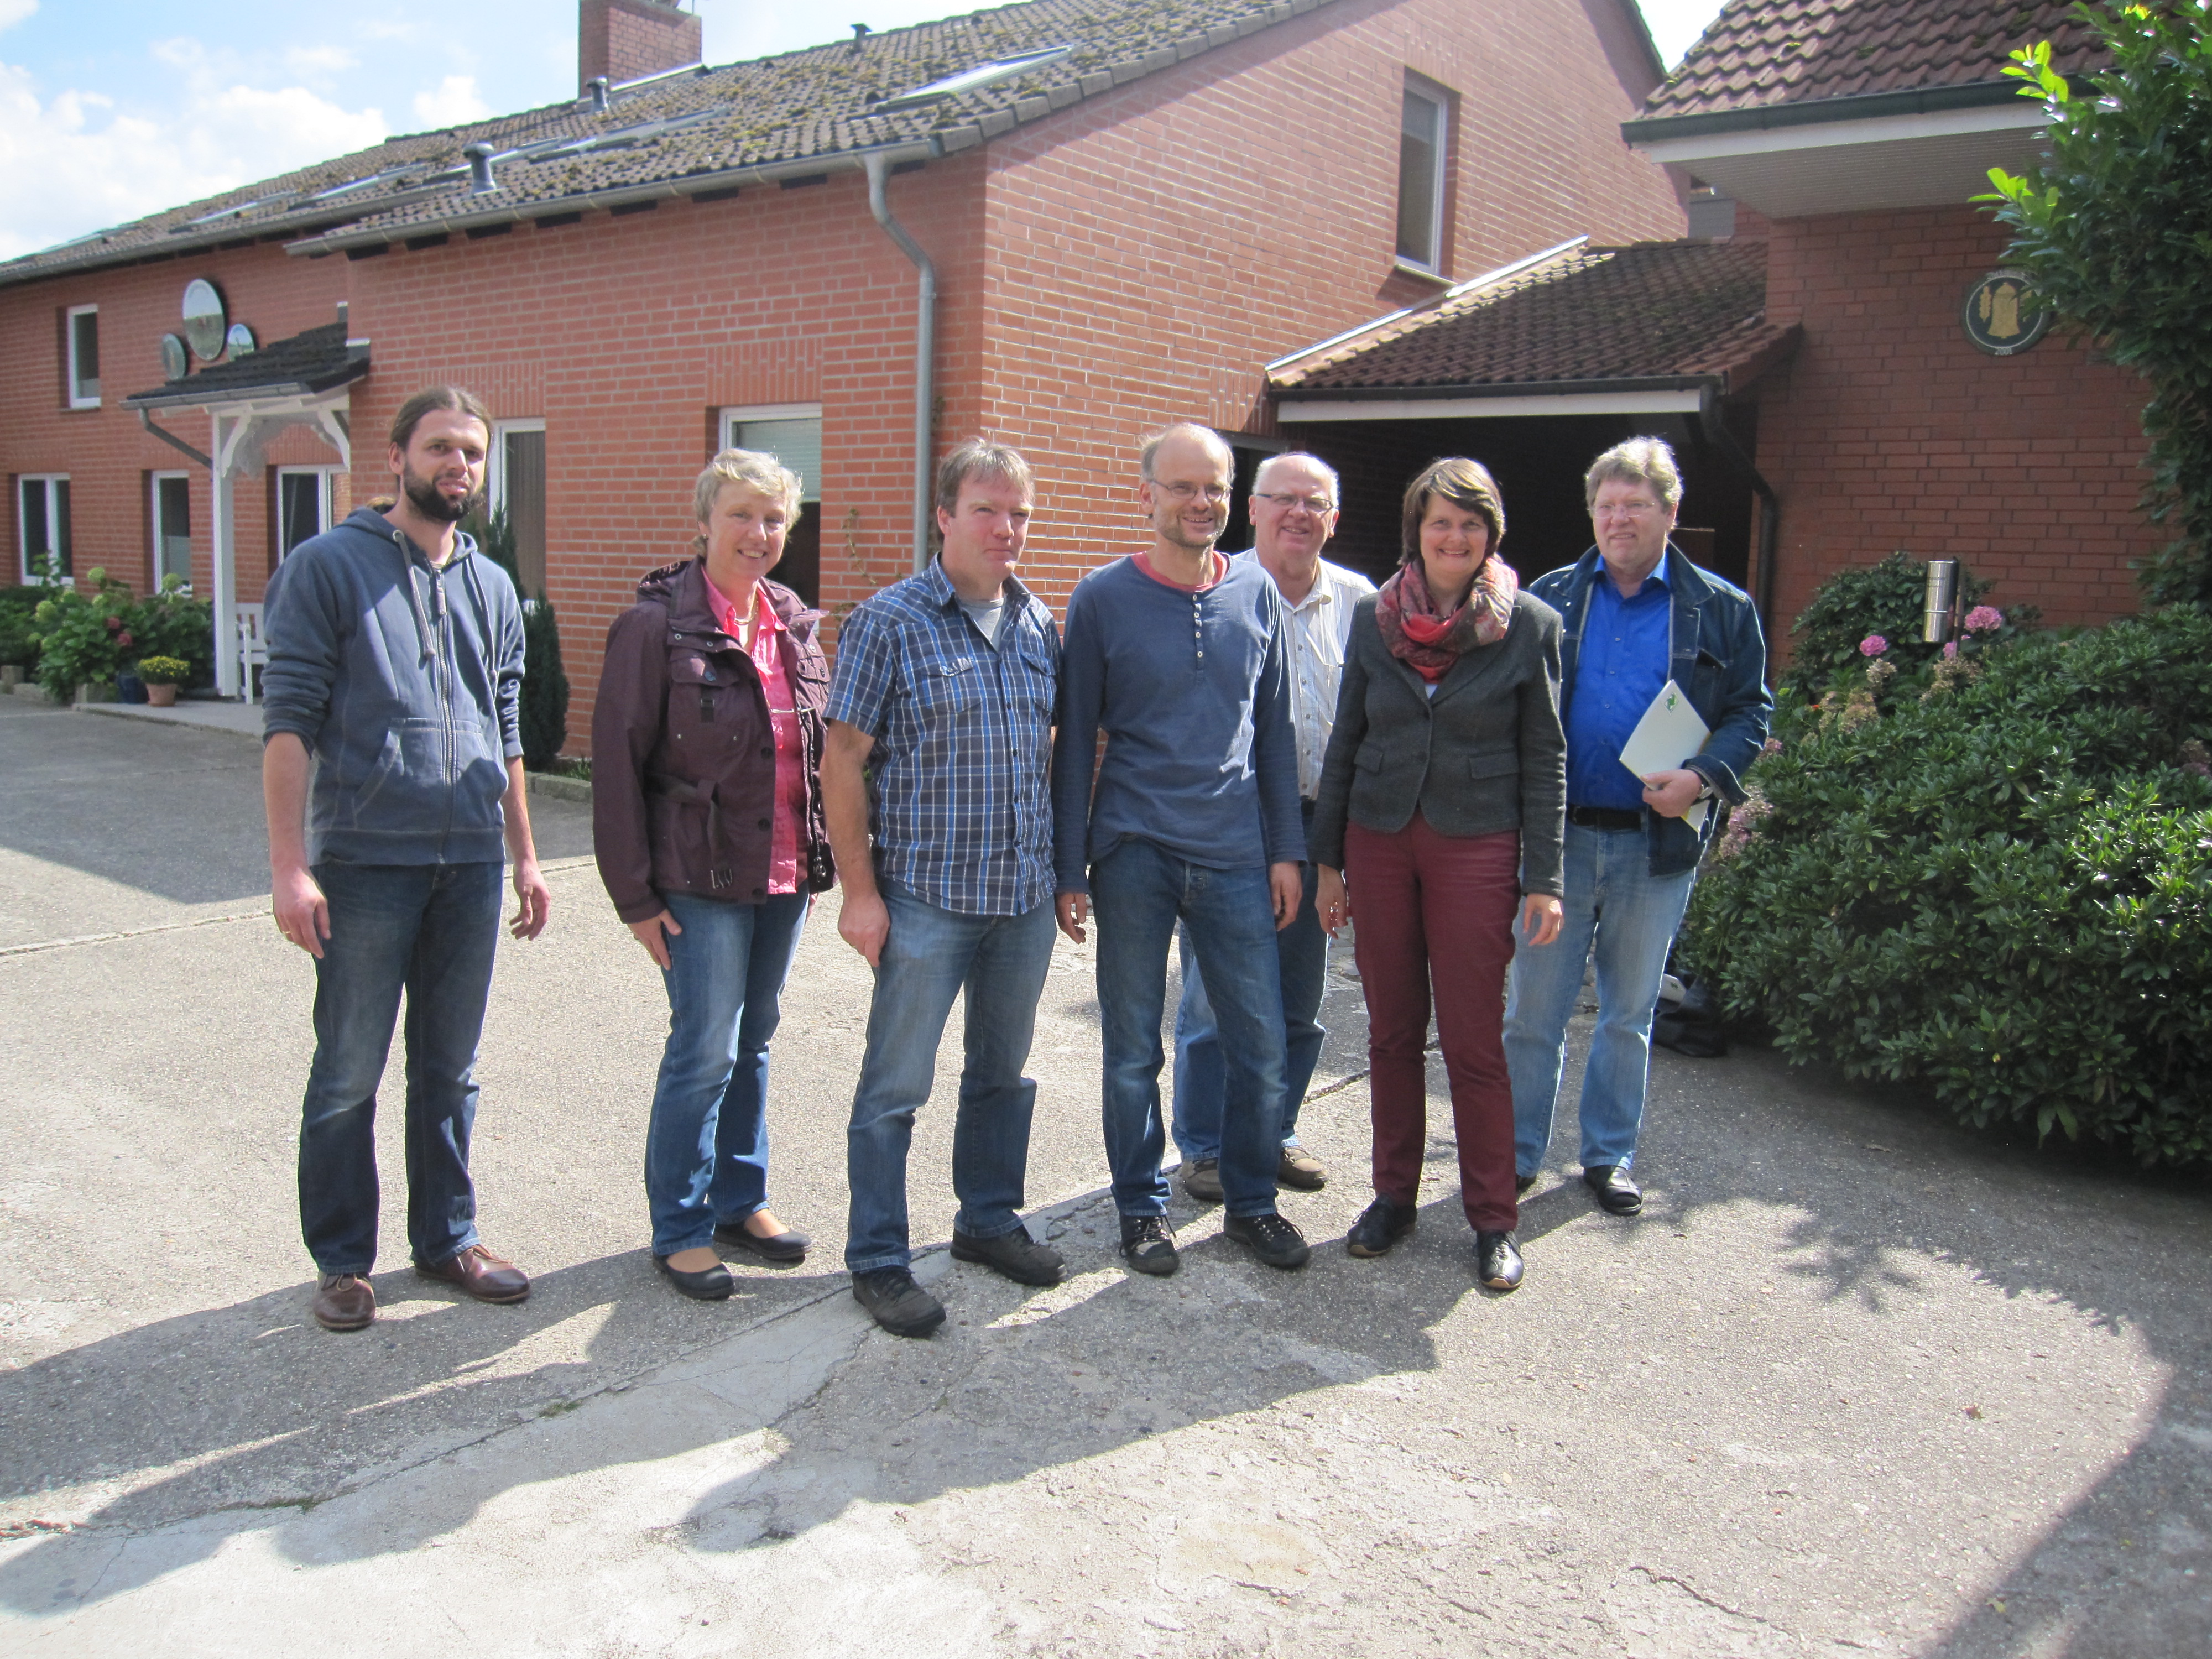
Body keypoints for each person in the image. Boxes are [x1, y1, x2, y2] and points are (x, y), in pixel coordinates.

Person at [262, 385, 550, 1334]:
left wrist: (526, 857)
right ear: (395, 457)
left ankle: (448, 1239)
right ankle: (344, 1261)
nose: (458, 466)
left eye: (472, 452)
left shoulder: (493, 585)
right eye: (440, 449)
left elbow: (505, 727)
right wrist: (288, 865)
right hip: (365, 865)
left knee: (450, 1069)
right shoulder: (327, 567)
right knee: (349, 1068)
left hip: (468, 862)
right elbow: (289, 723)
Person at [1052, 422, 1310, 1277]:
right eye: (1183, 487)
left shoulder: (1259, 594)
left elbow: (1274, 733)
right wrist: (1068, 866)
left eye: (1216, 487)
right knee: (1133, 1049)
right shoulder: (1101, 599)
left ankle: (1251, 1202)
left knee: (1260, 1044)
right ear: (1147, 496)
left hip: (1237, 852)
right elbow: (1075, 738)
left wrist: (1286, 851)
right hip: (1133, 851)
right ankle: (1141, 1209)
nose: (1202, 502)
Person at [822, 439, 1065, 1338]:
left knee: (1002, 1076)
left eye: (1020, 514)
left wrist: (1064, 878)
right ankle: (880, 1259)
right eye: (987, 510)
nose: (1007, 529)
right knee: (896, 1086)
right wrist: (860, 893)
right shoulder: (891, 621)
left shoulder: (1043, 624)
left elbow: (1054, 755)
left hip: (1022, 899)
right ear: (945, 517)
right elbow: (841, 758)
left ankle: (988, 1220)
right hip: (924, 897)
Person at [1311, 457, 1566, 1293]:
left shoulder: (1528, 624)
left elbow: (1545, 759)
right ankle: (1393, 1197)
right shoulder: (1372, 620)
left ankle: (1493, 1219)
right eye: (1439, 523)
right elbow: (1346, 739)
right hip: (1380, 839)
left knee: (1472, 1040)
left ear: (1490, 532)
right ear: (1416, 532)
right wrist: (1327, 862)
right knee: (1388, 1031)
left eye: (1470, 523)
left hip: (1476, 844)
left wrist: (1544, 877)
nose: (1454, 537)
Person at [1504, 437, 1771, 1215]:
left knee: (1628, 1013)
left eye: (1636, 505)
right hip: (1560, 841)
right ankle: (1516, 1154)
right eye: (1607, 505)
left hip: (1657, 843)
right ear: (1591, 512)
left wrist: (1701, 776)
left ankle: (1608, 1155)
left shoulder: (1722, 609)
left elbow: (1753, 710)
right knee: (1534, 1013)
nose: (1618, 519)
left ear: (1670, 511)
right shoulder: (1550, 595)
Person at [592, 450, 833, 1301]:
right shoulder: (654, 628)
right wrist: (635, 896)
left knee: (755, 1040)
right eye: (741, 514)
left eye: (774, 519)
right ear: (704, 523)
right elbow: (616, 768)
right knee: (705, 1048)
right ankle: (682, 1227)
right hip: (698, 876)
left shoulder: (795, 623)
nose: (759, 533)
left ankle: (741, 1199)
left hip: (782, 876)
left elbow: (814, 749)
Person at [1171, 452, 1372, 1200]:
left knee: (1297, 997)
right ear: (1251, 510)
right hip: (1230, 825)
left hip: (1318, 825)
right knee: (1210, 999)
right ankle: (1205, 1147)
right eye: (1282, 499)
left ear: (1334, 519)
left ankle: (1273, 1132)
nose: (1298, 513)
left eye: (1314, 502)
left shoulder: (1362, 603)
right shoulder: (1214, 593)